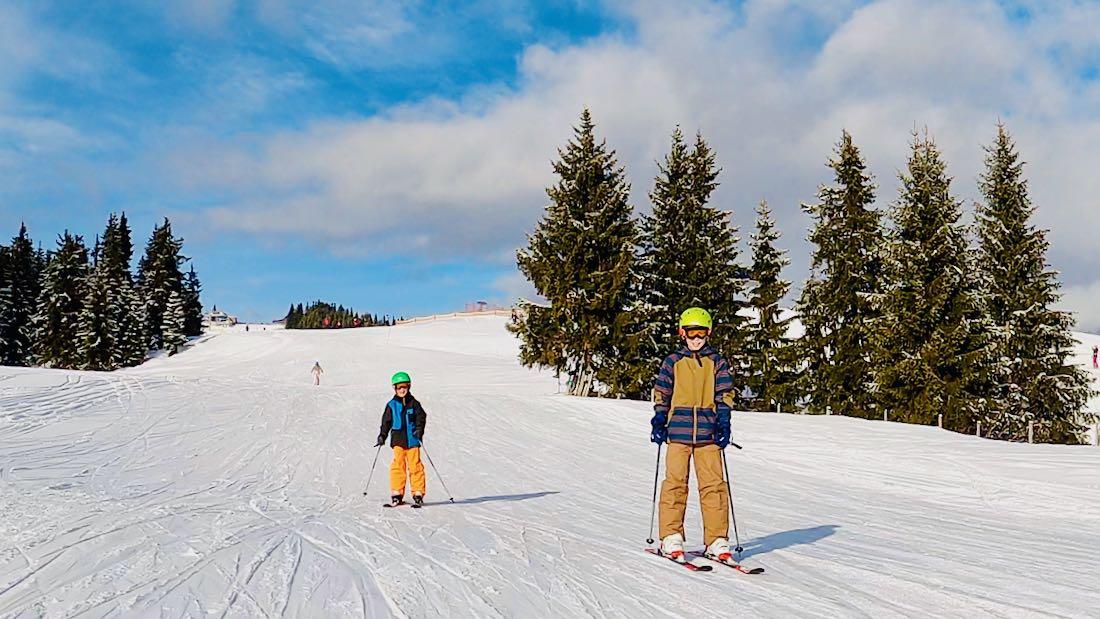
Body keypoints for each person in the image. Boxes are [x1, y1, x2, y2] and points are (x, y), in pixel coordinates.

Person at [650, 307, 735, 563]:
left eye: (700, 333)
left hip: (708, 435)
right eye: (691, 332)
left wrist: (724, 421)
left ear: (708, 333)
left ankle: (717, 540)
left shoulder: (716, 362)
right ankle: (671, 536)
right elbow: (662, 393)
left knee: (714, 487)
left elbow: (725, 394)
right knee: (675, 485)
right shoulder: (673, 361)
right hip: (677, 434)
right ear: (682, 333)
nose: (696, 338)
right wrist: (659, 419)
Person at [376, 371, 428, 507]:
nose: (402, 390)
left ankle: (418, 493)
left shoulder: (414, 403)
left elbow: (421, 418)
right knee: (398, 465)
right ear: (395, 388)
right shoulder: (391, 405)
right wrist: (382, 435)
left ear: (409, 387)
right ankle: (397, 493)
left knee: (415, 466)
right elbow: (386, 422)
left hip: (413, 440)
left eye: (404, 387)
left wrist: (419, 430)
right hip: (398, 440)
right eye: (399, 387)